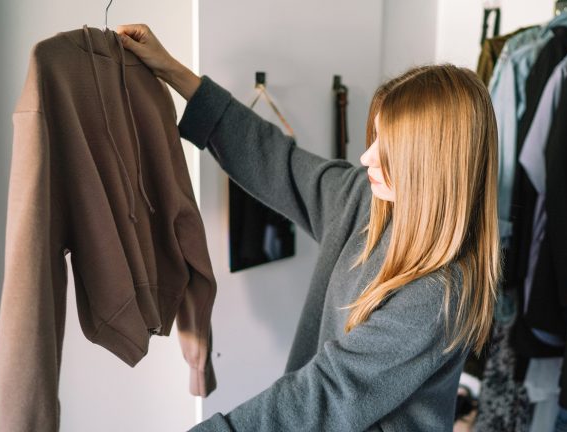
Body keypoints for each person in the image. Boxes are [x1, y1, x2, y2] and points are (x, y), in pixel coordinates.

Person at [116, 23, 501, 432]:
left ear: (435, 167)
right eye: (374, 137)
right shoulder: (364, 200)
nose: (366, 156)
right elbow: (274, 160)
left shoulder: (438, 295)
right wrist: (174, 72)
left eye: (388, 149)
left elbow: (325, 395)